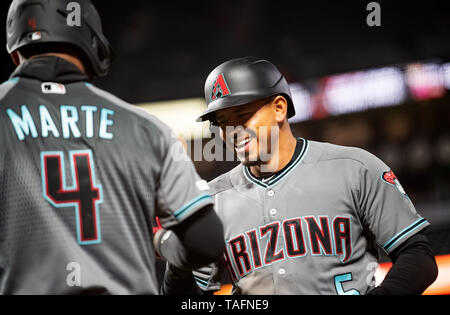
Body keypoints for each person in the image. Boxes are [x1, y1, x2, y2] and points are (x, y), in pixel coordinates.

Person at [161, 56, 438, 295]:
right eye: (222, 123)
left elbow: (418, 257)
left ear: (279, 108)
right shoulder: (209, 202)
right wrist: (178, 267)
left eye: (242, 116)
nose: (232, 131)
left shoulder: (354, 168)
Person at [0, 0, 224, 294]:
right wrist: (160, 242)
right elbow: (206, 241)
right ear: (93, 47)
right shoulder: (147, 128)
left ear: (16, 53)